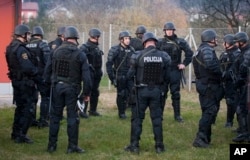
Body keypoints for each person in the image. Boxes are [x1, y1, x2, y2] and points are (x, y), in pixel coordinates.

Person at [44, 26, 92, 153]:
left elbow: (47, 71)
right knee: (72, 118)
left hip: (57, 88)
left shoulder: (55, 52)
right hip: (72, 89)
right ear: (76, 38)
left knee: (55, 117)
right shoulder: (80, 54)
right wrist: (86, 93)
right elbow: (87, 78)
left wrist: (49, 86)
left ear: (64, 37)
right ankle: (72, 147)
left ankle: (51, 146)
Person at [124, 32, 171, 153]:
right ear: (155, 42)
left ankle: (134, 146)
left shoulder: (137, 55)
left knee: (137, 119)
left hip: (141, 91)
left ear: (144, 43)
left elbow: (129, 75)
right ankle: (159, 146)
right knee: (157, 119)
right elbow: (168, 76)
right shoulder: (164, 56)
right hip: (156, 91)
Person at [5, 24, 38, 143]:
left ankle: (15, 132)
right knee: (28, 109)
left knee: (20, 108)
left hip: (16, 81)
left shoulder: (10, 47)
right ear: (23, 35)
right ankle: (21, 135)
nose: (29, 36)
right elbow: (28, 67)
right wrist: (37, 73)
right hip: (25, 82)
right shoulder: (21, 49)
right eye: (28, 34)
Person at [192, 29, 224, 148]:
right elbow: (210, 64)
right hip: (209, 86)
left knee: (208, 111)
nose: (216, 40)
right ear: (210, 39)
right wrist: (222, 73)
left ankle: (206, 138)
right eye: (215, 38)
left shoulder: (200, 50)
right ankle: (200, 139)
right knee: (209, 112)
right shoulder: (206, 49)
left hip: (204, 85)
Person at [157, 22, 193, 122]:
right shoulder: (159, 42)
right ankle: (159, 116)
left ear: (173, 31)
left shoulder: (180, 42)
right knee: (162, 94)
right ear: (165, 31)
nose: (169, 31)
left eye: (171, 30)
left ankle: (177, 116)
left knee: (176, 94)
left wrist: (184, 64)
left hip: (175, 71)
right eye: (167, 30)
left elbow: (190, 54)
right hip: (163, 71)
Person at [106, 31, 135, 119]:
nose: (128, 40)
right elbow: (109, 65)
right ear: (121, 40)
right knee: (121, 94)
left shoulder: (132, 49)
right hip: (120, 75)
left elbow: (134, 64)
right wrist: (112, 78)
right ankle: (121, 113)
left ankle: (134, 112)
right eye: (126, 38)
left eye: (128, 38)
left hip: (130, 76)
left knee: (133, 93)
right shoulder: (115, 49)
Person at [26, 26, 51, 128]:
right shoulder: (43, 44)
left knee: (32, 98)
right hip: (41, 75)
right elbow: (48, 61)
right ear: (41, 35)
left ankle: (31, 120)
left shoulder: (26, 45)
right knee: (45, 98)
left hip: (30, 76)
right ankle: (43, 120)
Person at [79, 28, 103, 118]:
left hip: (97, 73)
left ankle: (93, 110)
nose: (98, 38)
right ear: (95, 37)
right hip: (89, 73)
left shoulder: (96, 47)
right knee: (86, 92)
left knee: (95, 92)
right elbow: (80, 59)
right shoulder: (85, 47)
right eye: (97, 37)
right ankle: (82, 110)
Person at [232, 32, 250, 143]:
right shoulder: (243, 52)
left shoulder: (247, 53)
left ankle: (245, 134)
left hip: (245, 85)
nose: (235, 44)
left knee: (242, 109)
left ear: (242, 42)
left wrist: (237, 82)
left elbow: (243, 69)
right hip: (244, 84)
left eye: (237, 42)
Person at [219, 34, 240, 128]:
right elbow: (220, 65)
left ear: (228, 42)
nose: (223, 44)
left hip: (233, 82)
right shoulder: (225, 52)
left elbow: (234, 68)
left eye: (225, 42)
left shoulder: (237, 53)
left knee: (232, 101)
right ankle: (227, 121)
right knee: (228, 101)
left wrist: (226, 74)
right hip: (224, 81)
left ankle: (231, 122)